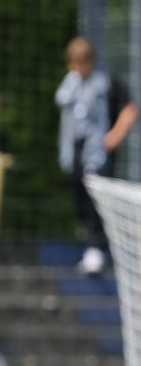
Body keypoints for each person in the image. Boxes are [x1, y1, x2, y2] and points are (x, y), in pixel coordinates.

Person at [56, 36, 138, 275]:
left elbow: (130, 109)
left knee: (95, 201)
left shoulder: (107, 81)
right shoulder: (70, 84)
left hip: (99, 153)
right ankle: (90, 244)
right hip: (76, 152)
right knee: (80, 199)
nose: (79, 69)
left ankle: (96, 249)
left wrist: (114, 135)